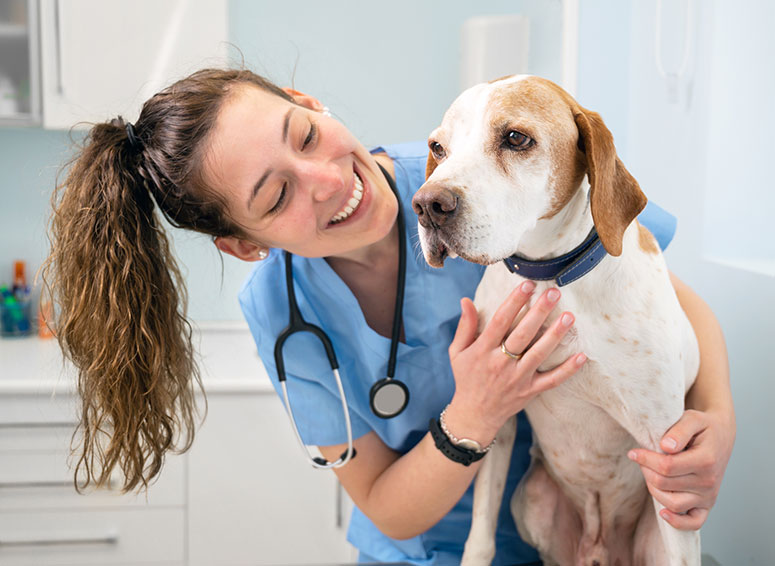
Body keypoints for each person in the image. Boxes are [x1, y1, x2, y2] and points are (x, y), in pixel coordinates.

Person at [45, 68, 735, 565]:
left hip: (538, 535)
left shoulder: (458, 181)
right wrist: (477, 411)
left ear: (309, 100)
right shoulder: (283, 314)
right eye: (277, 192)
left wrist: (716, 424)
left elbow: (662, 301)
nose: (326, 179)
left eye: (305, 134)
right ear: (244, 244)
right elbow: (383, 502)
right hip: (419, 550)